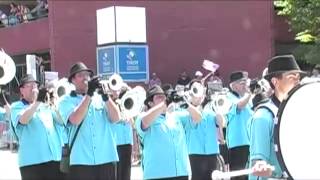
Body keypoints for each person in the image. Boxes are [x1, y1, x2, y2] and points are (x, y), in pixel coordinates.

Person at [58, 62, 121, 180]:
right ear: (72, 80)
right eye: (81, 75)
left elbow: (116, 118)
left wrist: (106, 97)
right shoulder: (65, 101)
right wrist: (89, 95)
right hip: (81, 160)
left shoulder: (100, 98)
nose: (85, 78)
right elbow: (75, 119)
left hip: (106, 158)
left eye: (87, 75)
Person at [249, 55, 305, 180]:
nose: (297, 81)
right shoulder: (262, 117)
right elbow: (257, 162)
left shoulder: (298, 113)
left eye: (298, 77)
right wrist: (262, 167)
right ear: (275, 81)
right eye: (292, 77)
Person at [135, 85, 202, 180]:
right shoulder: (143, 116)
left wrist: (187, 105)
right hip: (157, 175)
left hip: (181, 172)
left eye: (164, 97)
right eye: (159, 97)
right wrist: (164, 104)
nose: (163, 99)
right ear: (150, 103)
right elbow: (145, 122)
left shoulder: (175, 116)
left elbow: (198, 118)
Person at [10, 74, 64, 180]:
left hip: (54, 159)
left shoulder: (45, 106)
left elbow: (61, 121)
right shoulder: (17, 106)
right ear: (22, 90)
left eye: (35, 86)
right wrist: (37, 102)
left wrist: (54, 102)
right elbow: (23, 120)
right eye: (30, 86)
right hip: (32, 162)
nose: (34, 89)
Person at [183, 79, 225, 180]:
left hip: (212, 153)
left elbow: (221, 124)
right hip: (194, 153)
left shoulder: (210, 112)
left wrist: (219, 110)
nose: (198, 96)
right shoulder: (185, 112)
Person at [226, 71, 253, 180]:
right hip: (237, 143)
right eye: (242, 83)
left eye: (246, 83)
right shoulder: (228, 97)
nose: (245, 86)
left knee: (247, 175)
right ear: (233, 85)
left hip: (249, 141)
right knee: (238, 175)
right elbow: (239, 106)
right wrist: (249, 94)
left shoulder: (247, 98)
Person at [110, 87, 134, 180]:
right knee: (116, 173)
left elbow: (132, 126)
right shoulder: (113, 105)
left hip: (127, 143)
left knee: (126, 172)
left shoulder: (129, 108)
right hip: (116, 143)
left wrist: (135, 146)